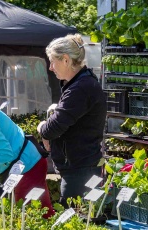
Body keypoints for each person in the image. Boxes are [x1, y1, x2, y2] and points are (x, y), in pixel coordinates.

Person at [37, 34, 106, 207]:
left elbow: (52, 129)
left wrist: (42, 127)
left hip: (80, 170)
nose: (51, 68)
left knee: (76, 221)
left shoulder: (80, 88)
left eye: (53, 61)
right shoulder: (81, 84)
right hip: (81, 167)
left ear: (66, 60)